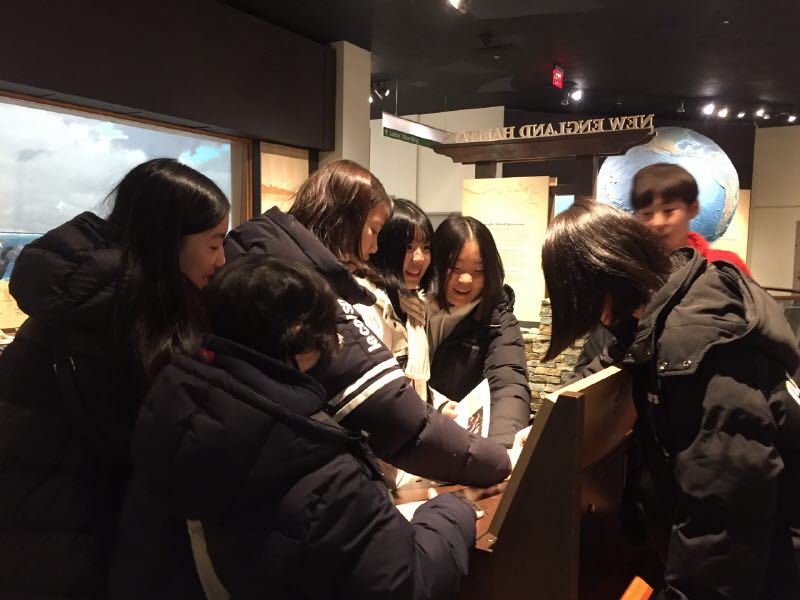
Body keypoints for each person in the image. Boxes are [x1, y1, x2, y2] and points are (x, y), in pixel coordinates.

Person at [111, 255, 498, 599]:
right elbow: (407, 584)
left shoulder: (172, 410)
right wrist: (454, 511)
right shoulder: (313, 461)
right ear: (299, 337)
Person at [542, 199, 800, 600]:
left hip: (769, 568)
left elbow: (722, 509)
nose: (593, 318)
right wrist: (545, 422)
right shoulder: (674, 300)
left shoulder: (694, 341)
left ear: (604, 278)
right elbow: (615, 358)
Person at [0, 158, 230, 598]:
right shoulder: (129, 316)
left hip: (30, 509)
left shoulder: (84, 296)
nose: (221, 261)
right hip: (72, 529)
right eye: (214, 244)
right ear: (168, 240)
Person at [224, 159, 510, 486]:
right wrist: (496, 460)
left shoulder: (410, 304)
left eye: (426, 248)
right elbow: (389, 411)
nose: (372, 248)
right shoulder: (315, 295)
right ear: (344, 221)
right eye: (375, 231)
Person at [575, 163, 752, 372]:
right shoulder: (631, 273)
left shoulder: (723, 264)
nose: (658, 222)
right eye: (647, 214)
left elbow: (747, 331)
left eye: (669, 211)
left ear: (692, 209)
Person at [427, 214, 531, 448]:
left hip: (455, 445)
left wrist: (504, 447)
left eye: (478, 270)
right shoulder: (412, 308)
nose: (465, 280)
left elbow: (509, 384)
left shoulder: (498, 321)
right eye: (454, 268)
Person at [356, 198, 434, 401]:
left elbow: (414, 384)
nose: (419, 258)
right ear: (383, 247)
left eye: (426, 247)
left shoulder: (412, 303)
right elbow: (377, 395)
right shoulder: (366, 307)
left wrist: (440, 404)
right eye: (408, 247)